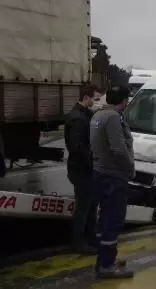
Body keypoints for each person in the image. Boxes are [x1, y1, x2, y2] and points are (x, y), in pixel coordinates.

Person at [90, 85, 135, 278]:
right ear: (123, 101)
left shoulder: (98, 115)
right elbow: (118, 148)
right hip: (114, 175)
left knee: (105, 217)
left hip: (100, 171)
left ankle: (105, 259)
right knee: (113, 219)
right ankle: (106, 265)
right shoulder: (114, 117)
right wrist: (130, 167)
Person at [64, 84, 102, 255]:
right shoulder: (78, 119)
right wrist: (92, 160)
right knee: (83, 206)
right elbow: (77, 147)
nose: (98, 102)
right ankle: (79, 242)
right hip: (81, 170)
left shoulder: (85, 115)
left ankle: (91, 238)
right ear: (86, 98)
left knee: (92, 205)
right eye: (96, 99)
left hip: (87, 169)